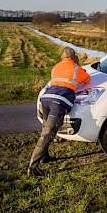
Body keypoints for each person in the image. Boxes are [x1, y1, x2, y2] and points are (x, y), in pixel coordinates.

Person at [28, 47, 91, 176]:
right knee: (47, 134)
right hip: (59, 101)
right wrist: (79, 67)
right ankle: (33, 168)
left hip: (46, 99)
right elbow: (87, 80)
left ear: (62, 57)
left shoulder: (56, 67)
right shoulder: (76, 68)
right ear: (74, 57)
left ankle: (44, 157)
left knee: (46, 130)